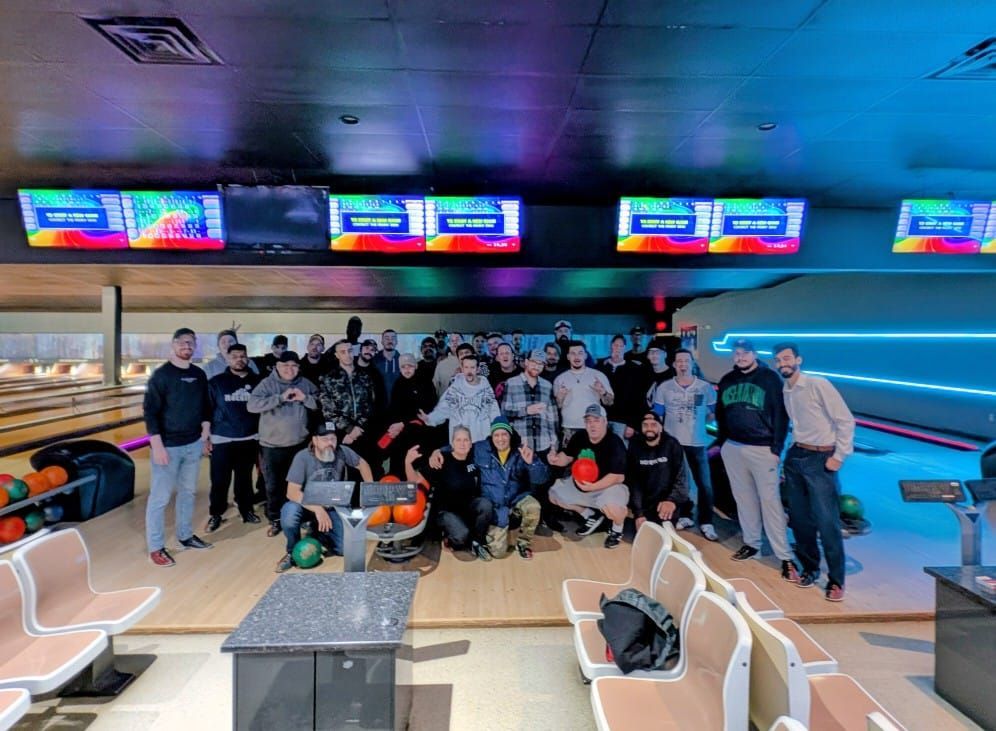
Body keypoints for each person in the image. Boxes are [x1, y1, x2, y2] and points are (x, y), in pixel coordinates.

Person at [774, 342, 855, 602]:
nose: (782, 363)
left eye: (787, 358)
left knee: (826, 521)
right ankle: (810, 568)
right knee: (799, 519)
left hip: (821, 458)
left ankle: (836, 580)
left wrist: (839, 457)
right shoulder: (786, 390)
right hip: (796, 455)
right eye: (778, 360)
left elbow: (845, 420)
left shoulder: (818, 385)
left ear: (799, 360)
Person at [716, 339, 798, 582]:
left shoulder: (770, 379)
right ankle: (752, 544)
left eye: (745, 353)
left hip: (763, 449)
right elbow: (721, 414)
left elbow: (781, 416)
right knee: (744, 500)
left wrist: (776, 448)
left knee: (770, 502)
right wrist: (722, 443)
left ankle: (785, 555)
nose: (740, 357)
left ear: (754, 354)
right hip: (734, 447)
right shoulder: (727, 379)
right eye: (736, 353)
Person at [143, 328, 213, 567]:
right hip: (168, 447)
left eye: (191, 343)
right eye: (183, 342)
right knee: (160, 499)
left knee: (188, 493)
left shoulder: (198, 374)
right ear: (173, 345)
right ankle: (156, 547)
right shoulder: (161, 375)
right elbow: (150, 412)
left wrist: (205, 433)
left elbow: (205, 406)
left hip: (193, 444)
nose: (187, 346)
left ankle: (184, 536)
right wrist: (157, 446)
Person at [433, 416, 547, 559]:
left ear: (510, 435)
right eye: (496, 435)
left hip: (516, 498)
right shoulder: (480, 448)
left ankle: (523, 543)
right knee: (498, 553)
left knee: (533, 506)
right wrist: (438, 451)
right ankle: (496, 533)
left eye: (504, 434)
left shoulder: (522, 451)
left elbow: (541, 479)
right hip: (495, 506)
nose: (500, 439)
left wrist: (532, 463)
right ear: (491, 436)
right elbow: (461, 446)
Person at [275, 422, 374, 572]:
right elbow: (292, 492)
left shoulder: (342, 451)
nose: (330, 443)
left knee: (344, 549)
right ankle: (292, 551)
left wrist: (369, 491)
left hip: (333, 504)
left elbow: (363, 464)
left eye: (333, 439)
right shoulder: (302, 457)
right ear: (314, 441)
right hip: (306, 504)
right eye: (325, 439)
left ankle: (317, 533)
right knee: (289, 516)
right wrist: (318, 510)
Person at [247, 350, 320, 537]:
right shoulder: (267, 384)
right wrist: (279, 398)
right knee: (274, 485)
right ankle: (276, 519)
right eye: (285, 365)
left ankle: (302, 516)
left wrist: (305, 398)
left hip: (298, 444)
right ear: (278, 367)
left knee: (300, 484)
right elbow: (252, 405)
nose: (290, 369)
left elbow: (318, 403)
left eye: (294, 366)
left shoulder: (304, 383)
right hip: (272, 445)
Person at [653, 349, 719, 541]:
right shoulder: (664, 387)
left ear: (692, 363)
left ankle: (707, 521)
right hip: (673, 444)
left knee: (704, 484)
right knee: (680, 484)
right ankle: (685, 515)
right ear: (674, 364)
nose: (682, 364)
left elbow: (712, 413)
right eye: (679, 361)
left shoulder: (705, 388)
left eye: (686, 361)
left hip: (698, 443)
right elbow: (658, 415)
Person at [548, 404, 629, 549]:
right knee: (554, 494)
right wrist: (554, 459)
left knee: (613, 508)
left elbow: (618, 477)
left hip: (608, 488)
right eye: (588, 421)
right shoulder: (579, 437)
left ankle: (617, 529)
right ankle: (590, 515)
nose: (592, 425)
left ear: (604, 421)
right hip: (582, 487)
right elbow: (566, 457)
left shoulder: (615, 442)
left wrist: (593, 486)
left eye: (596, 420)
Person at [405, 431, 492, 561]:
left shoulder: (474, 459)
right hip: (446, 512)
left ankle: (476, 541)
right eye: (458, 440)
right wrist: (408, 462)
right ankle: (449, 539)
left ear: (470, 443)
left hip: (467, 508)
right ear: (452, 443)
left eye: (466, 440)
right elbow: (415, 480)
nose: (462, 444)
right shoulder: (441, 459)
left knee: (485, 505)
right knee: (461, 536)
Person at [501, 349, 561, 529]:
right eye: (533, 362)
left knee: (544, 482)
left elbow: (552, 417)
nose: (536, 366)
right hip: (522, 443)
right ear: (526, 362)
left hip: (542, 442)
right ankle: (520, 519)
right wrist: (526, 410)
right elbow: (504, 413)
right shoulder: (511, 383)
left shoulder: (547, 385)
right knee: (520, 484)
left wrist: (554, 445)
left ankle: (546, 518)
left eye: (540, 363)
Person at [205, 344, 262, 532]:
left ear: (248, 358)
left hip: (249, 437)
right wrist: (206, 437)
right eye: (235, 356)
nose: (239, 359)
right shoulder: (216, 382)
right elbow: (206, 410)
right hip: (222, 438)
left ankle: (246, 510)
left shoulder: (257, 381)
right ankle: (216, 514)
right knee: (219, 480)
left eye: (243, 356)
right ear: (228, 359)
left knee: (244, 479)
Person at [319, 339, 380, 473]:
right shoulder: (328, 378)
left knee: (369, 472)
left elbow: (371, 405)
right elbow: (328, 410)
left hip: (364, 433)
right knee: (344, 476)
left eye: (350, 351)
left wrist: (359, 428)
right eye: (343, 352)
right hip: (342, 436)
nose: (347, 354)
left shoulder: (365, 376)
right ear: (337, 355)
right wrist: (349, 429)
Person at [627, 411, 691, 530]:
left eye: (653, 425)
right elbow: (633, 483)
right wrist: (638, 513)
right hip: (646, 502)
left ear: (661, 428)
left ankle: (682, 514)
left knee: (664, 533)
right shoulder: (634, 446)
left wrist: (672, 501)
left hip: (667, 500)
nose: (649, 428)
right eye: (645, 425)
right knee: (646, 535)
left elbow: (682, 478)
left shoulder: (672, 444)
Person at [420, 353, 500, 443]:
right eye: (466, 367)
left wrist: (498, 431)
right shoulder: (455, 388)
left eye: (472, 367)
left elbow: (494, 411)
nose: (469, 371)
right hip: (460, 439)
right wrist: (430, 418)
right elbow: (444, 407)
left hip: (481, 437)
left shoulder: (486, 388)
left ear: (477, 369)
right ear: (462, 369)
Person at [383, 353, 436, 477]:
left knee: (417, 470)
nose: (407, 370)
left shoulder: (425, 383)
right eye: (403, 367)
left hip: (419, 434)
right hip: (400, 435)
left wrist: (403, 423)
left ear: (416, 366)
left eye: (410, 366)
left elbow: (426, 409)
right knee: (397, 469)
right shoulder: (398, 383)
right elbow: (393, 408)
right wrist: (393, 426)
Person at [553, 340, 614, 446]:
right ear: (568, 356)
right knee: (570, 461)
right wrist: (560, 397)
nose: (577, 357)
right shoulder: (560, 379)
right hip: (569, 428)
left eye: (580, 353)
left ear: (585, 355)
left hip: (594, 427)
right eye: (573, 353)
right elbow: (557, 406)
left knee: (595, 460)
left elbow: (610, 402)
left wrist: (602, 391)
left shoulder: (598, 375)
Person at [598, 334, 644, 444]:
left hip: (623, 422)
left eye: (620, 346)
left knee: (621, 454)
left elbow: (638, 399)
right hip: (602, 419)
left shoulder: (634, 369)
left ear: (625, 348)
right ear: (611, 346)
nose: (617, 348)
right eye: (615, 345)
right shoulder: (600, 367)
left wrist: (633, 424)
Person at [373, 328, 402, 405]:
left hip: (398, 407)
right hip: (378, 408)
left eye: (393, 338)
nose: (390, 341)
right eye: (387, 338)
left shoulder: (403, 361)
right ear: (382, 341)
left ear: (396, 342)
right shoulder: (374, 361)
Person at [644, 336, 674, 407]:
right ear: (648, 356)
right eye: (651, 352)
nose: (654, 355)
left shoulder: (673, 375)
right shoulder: (644, 374)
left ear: (665, 354)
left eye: (657, 352)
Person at [433, 332, 464, 397]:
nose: (455, 342)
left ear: (463, 342)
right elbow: (435, 386)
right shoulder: (441, 364)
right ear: (448, 344)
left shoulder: (471, 362)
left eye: (457, 340)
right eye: (452, 341)